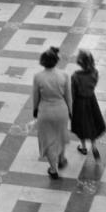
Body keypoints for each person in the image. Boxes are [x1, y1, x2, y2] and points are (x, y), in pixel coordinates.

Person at [32, 47, 72, 179]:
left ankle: (53, 169)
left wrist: (35, 110)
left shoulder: (38, 77)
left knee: (47, 140)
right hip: (61, 110)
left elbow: (36, 96)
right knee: (61, 135)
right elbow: (68, 96)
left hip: (45, 111)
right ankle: (61, 158)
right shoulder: (64, 75)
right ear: (56, 61)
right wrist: (71, 111)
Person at [70, 50, 106, 159]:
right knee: (92, 123)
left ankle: (83, 147)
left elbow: (72, 92)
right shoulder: (94, 72)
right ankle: (94, 146)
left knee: (81, 125)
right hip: (91, 100)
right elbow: (94, 84)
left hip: (80, 102)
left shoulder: (75, 76)